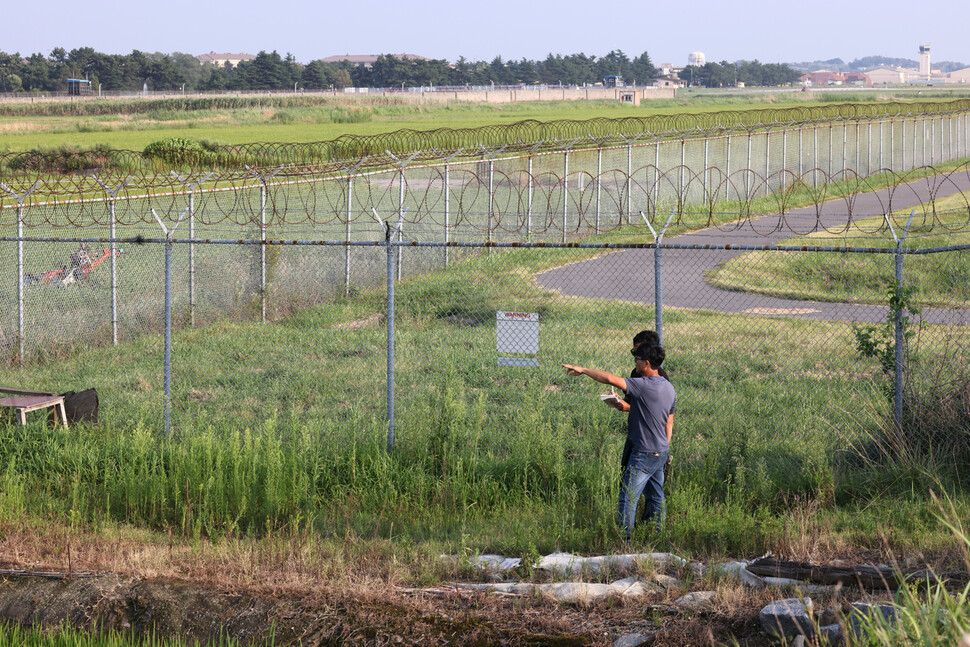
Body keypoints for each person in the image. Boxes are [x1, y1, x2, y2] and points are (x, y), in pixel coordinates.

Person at [563, 343, 676, 538]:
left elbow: (608, 378)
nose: (635, 363)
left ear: (647, 363)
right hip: (661, 450)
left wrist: (583, 370)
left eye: (637, 360)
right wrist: (663, 446)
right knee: (656, 496)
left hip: (644, 452)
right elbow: (667, 422)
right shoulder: (669, 387)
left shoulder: (642, 385)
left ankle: (625, 542)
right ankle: (659, 536)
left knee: (628, 497)